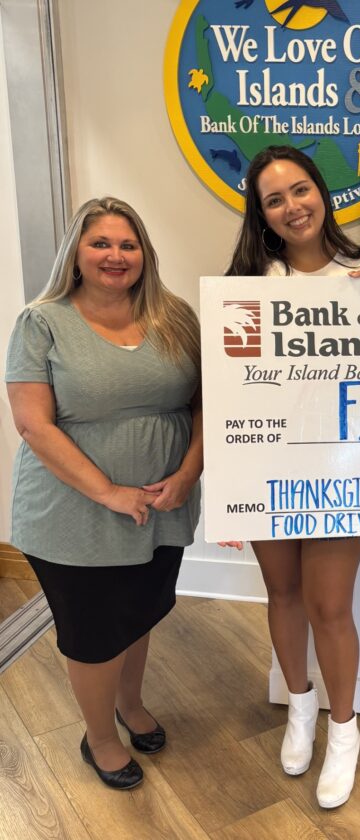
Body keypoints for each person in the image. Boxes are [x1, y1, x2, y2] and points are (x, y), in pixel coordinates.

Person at [5, 197, 202, 790]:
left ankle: (129, 703)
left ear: (144, 254)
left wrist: (188, 473)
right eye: (101, 244)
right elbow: (33, 425)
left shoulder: (175, 316)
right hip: (73, 512)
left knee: (137, 614)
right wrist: (110, 492)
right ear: (76, 254)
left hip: (161, 507)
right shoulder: (41, 322)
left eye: (127, 244)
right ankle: (100, 738)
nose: (115, 255)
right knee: (94, 633)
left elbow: (206, 404)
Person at [223, 145, 360, 809]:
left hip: (344, 467)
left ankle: (343, 731)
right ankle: (300, 708)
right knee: (284, 593)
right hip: (270, 463)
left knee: (330, 605)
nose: (292, 207)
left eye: (300, 190)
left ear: (321, 191)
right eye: (274, 200)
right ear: (261, 215)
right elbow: (233, 383)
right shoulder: (250, 281)